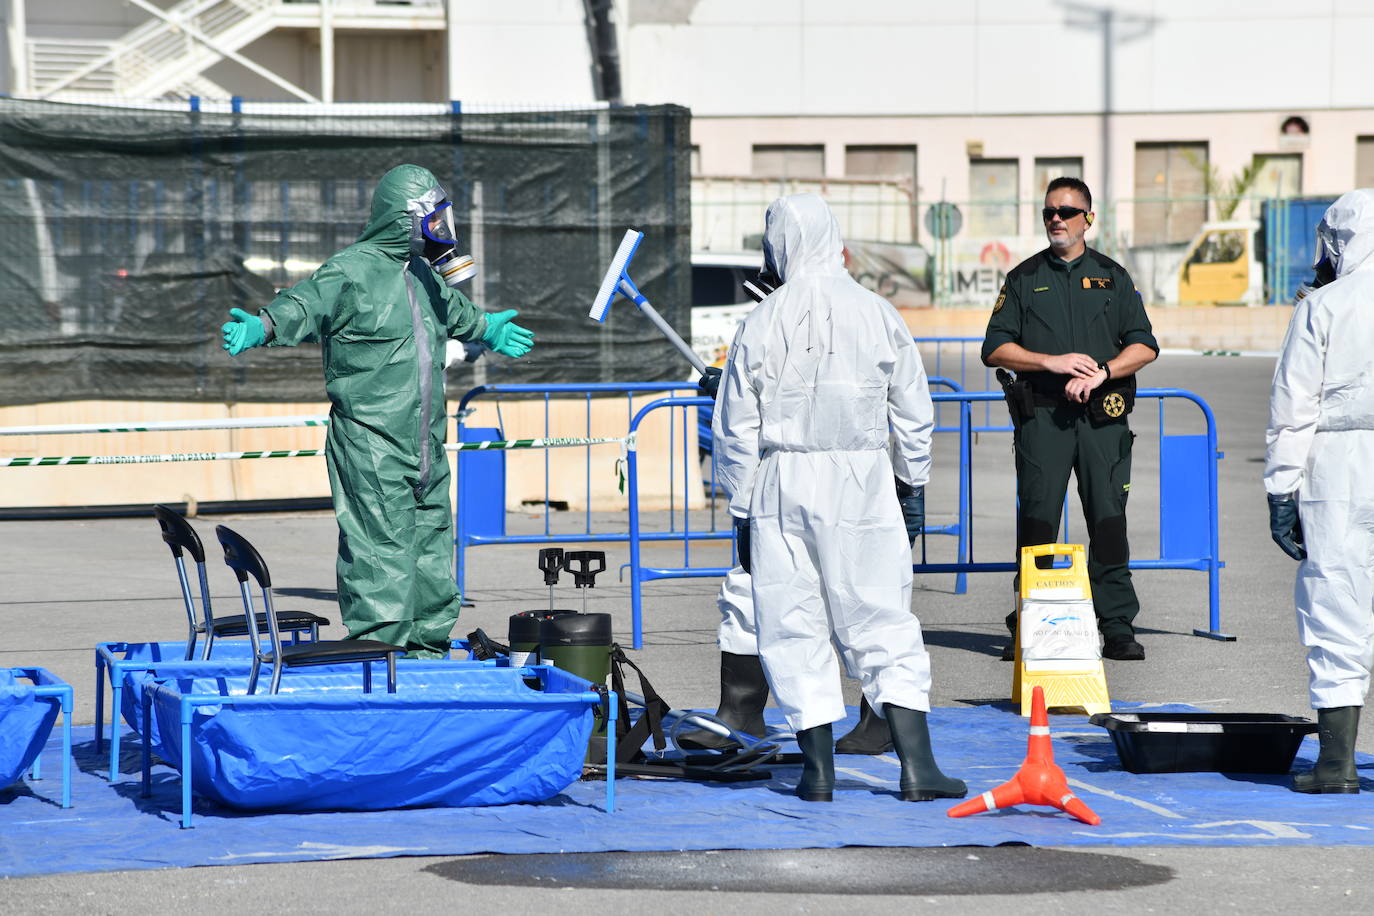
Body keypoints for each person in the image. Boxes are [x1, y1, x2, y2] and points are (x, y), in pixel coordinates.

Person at [219, 164, 534, 658]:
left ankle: (427, 648)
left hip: (425, 441)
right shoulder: (350, 271)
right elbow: (304, 305)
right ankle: (379, 656)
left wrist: (488, 327)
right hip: (371, 440)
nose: (441, 232)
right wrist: (263, 326)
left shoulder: (425, 277)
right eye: (433, 220)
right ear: (402, 219)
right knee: (379, 550)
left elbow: (457, 312)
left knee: (431, 545)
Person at [713, 191, 965, 803]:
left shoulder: (761, 320)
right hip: (863, 479)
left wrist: (742, 508)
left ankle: (817, 772)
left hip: (781, 481)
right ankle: (918, 768)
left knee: (792, 622)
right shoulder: (877, 311)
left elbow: (735, 429)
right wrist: (914, 484)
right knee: (881, 615)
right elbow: (912, 408)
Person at [982, 176, 1158, 662]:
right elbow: (994, 348)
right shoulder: (1022, 278)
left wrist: (1104, 372)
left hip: (1103, 422)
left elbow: (1144, 345)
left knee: (1108, 521)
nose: (1056, 219)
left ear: (1088, 219)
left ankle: (1117, 625)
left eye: (1066, 211)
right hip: (1044, 421)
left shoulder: (1112, 276)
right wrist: (1051, 361)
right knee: (1038, 524)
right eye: (1048, 213)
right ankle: (1030, 624)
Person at [1265, 188, 1374, 794]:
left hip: (1339, 464)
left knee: (1336, 602)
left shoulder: (1322, 308)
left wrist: (1282, 490)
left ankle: (1336, 764)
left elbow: (1293, 408)